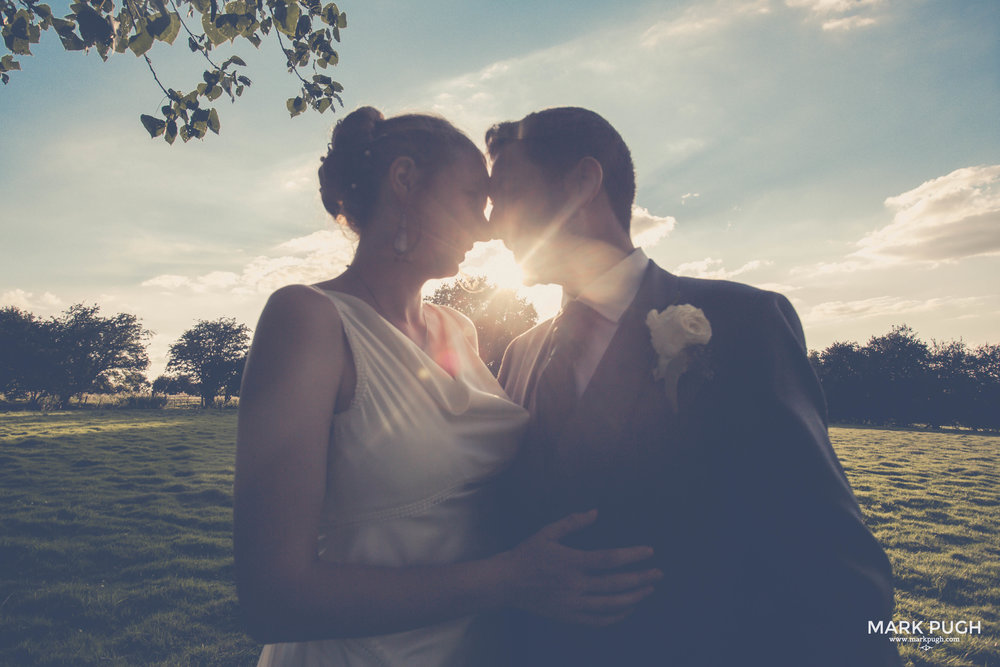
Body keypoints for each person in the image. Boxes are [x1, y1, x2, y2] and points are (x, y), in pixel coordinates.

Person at [233, 106, 662, 666]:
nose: (487, 226)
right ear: (405, 181)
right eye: (470, 199)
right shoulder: (309, 318)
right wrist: (508, 580)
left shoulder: (457, 330)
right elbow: (272, 598)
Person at [487, 107, 901, 666]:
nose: (491, 222)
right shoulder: (520, 353)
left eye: (506, 193)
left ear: (583, 183)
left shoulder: (743, 323)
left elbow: (829, 554)